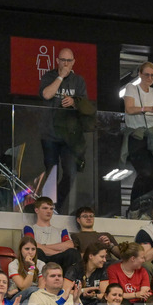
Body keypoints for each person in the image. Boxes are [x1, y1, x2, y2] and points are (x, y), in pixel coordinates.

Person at [39, 48, 88, 206]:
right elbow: (46, 94)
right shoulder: (49, 76)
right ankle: (48, 205)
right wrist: (61, 76)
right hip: (50, 134)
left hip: (69, 136)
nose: (66, 63)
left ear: (74, 62)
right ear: (57, 61)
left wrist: (74, 102)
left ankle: (56, 205)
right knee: (51, 172)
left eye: (69, 61)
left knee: (70, 173)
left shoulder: (78, 81)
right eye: (63, 60)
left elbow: (85, 106)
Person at [122, 62, 153, 212]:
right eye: (147, 74)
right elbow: (129, 108)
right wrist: (148, 108)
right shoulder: (131, 88)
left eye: (152, 75)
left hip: (152, 137)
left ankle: (147, 208)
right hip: (136, 135)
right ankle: (134, 207)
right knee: (144, 172)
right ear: (140, 74)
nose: (149, 78)